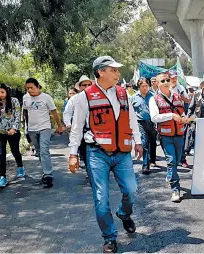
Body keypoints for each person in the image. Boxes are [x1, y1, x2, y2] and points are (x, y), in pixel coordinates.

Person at [68, 56, 143, 253]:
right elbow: (76, 128)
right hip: (97, 153)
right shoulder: (84, 97)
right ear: (101, 72)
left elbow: (132, 119)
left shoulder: (123, 94)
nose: (118, 74)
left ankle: (124, 214)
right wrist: (73, 154)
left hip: (122, 153)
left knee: (132, 190)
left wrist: (138, 141)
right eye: (114, 70)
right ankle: (109, 237)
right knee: (101, 198)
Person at [149, 72, 189, 202]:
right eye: (162, 81)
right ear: (157, 84)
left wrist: (185, 118)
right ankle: (175, 189)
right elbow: (154, 118)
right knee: (171, 161)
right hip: (166, 135)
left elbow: (183, 112)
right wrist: (171, 115)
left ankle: (170, 175)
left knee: (177, 161)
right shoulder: (153, 99)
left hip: (179, 134)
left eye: (167, 80)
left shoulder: (178, 96)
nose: (166, 82)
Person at [22, 78, 63, 188]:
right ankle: (46, 171)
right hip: (31, 129)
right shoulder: (25, 97)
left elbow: (54, 112)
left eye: (31, 87)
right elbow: (25, 111)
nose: (29, 90)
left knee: (44, 150)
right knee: (39, 151)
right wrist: (25, 126)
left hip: (44, 127)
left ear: (37, 86)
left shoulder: (46, 97)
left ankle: (48, 175)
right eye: (27, 88)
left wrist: (59, 126)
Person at [0, 83, 25, 187]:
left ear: (6, 91)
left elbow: (17, 116)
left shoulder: (14, 101)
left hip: (12, 132)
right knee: (0, 154)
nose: (0, 94)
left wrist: (14, 128)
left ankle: (20, 167)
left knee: (15, 151)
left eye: (2, 92)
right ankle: (2, 177)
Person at [131, 77, 158, 174]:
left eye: (146, 86)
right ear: (139, 87)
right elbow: (130, 112)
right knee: (144, 143)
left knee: (153, 142)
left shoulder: (153, 97)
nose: (144, 88)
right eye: (142, 86)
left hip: (152, 122)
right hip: (140, 123)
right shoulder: (133, 98)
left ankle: (152, 159)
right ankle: (146, 166)